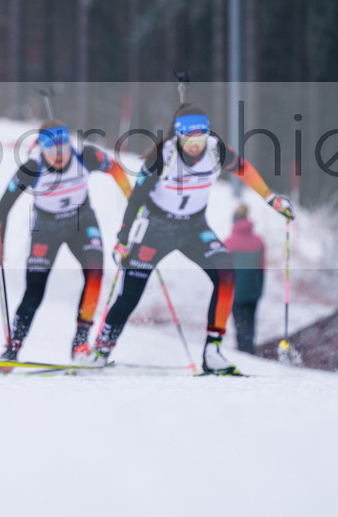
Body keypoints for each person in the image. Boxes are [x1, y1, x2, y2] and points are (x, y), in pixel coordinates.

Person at [88, 102, 295, 375]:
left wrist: (271, 198)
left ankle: (212, 351)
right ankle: (102, 349)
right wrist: (123, 239)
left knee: (226, 273)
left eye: (199, 138)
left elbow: (244, 169)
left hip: (194, 229)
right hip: (155, 229)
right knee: (130, 295)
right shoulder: (163, 156)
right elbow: (137, 198)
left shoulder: (215, 149)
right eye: (188, 139)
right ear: (178, 136)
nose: (195, 145)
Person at [0, 120, 132, 363]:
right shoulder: (32, 168)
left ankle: (80, 343)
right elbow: (3, 207)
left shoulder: (86, 155)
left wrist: (132, 201)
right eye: (51, 151)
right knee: (34, 290)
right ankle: (13, 348)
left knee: (95, 273)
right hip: (46, 228)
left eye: (62, 150)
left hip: (82, 222)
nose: (58, 156)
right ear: (41, 150)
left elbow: (116, 169)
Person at [224, 203, 266, 354]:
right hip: (253, 289)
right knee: (250, 323)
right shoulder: (259, 241)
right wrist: (260, 289)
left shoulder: (229, 242)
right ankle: (250, 350)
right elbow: (262, 269)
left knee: (240, 325)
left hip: (236, 291)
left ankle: (243, 353)